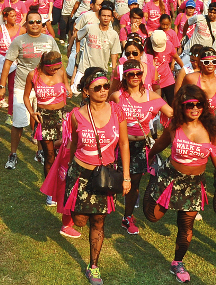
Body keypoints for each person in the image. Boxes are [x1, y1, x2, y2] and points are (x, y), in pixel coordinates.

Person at [143, 85, 216, 283]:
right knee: (152, 216)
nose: (195, 108)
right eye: (190, 105)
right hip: (170, 179)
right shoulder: (175, 125)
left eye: (199, 104)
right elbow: (162, 143)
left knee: (186, 226)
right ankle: (153, 185)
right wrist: (150, 156)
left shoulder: (211, 128)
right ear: (182, 106)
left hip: (194, 184)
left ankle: (177, 262)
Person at [63, 67, 130, 285]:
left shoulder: (117, 111)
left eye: (105, 87)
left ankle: (93, 266)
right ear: (86, 91)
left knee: (98, 222)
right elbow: (73, 144)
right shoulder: (76, 116)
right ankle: (76, 219)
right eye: (97, 88)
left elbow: (124, 143)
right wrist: (68, 168)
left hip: (105, 177)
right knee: (81, 220)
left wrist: (126, 176)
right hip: (81, 175)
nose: (103, 91)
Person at [112, 59, 173, 234]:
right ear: (125, 76)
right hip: (118, 145)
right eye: (131, 74)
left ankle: (127, 217)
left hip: (140, 146)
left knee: (134, 183)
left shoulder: (152, 97)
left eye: (138, 73)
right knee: (115, 181)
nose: (135, 77)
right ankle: (99, 210)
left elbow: (172, 114)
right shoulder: (117, 96)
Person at [0, 10, 59, 170]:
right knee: (18, 123)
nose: (34, 25)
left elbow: (57, 64)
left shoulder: (49, 40)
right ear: (26, 23)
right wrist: (2, 85)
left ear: (43, 24)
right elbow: (8, 62)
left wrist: (60, 84)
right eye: (31, 22)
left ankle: (39, 152)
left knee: (41, 122)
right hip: (21, 87)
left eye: (38, 22)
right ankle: (13, 154)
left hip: (44, 88)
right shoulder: (19, 41)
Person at [23, 51, 72, 204]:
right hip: (44, 118)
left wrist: (68, 90)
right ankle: (50, 192)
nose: (55, 71)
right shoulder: (33, 75)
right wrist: (32, 113)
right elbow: (26, 96)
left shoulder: (61, 72)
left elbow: (67, 87)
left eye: (57, 68)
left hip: (61, 117)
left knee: (64, 155)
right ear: (45, 65)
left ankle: (64, 188)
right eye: (52, 69)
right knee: (49, 155)